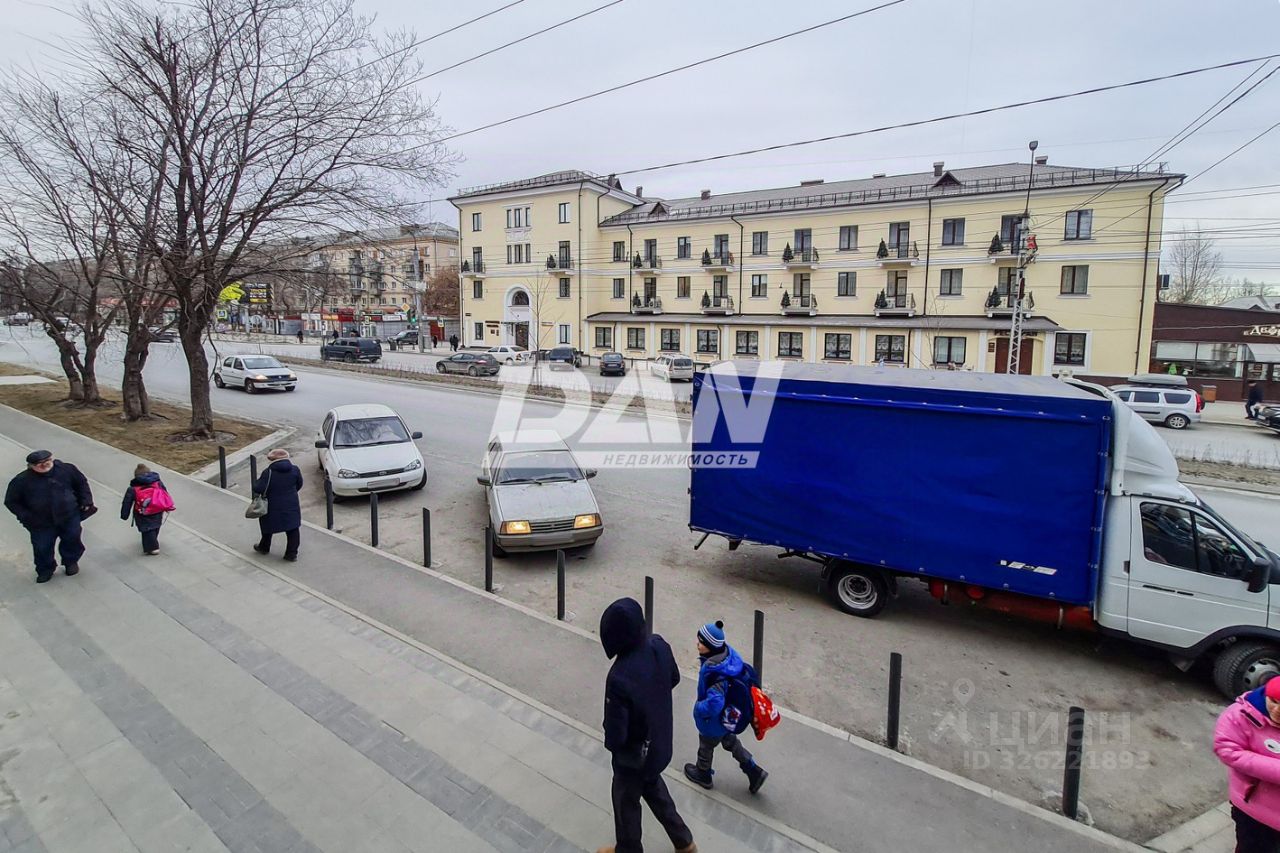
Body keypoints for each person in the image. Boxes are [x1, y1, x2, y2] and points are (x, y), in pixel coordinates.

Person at [597, 598, 696, 853]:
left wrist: (613, 746)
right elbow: (673, 677)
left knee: (625, 804)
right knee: (654, 788)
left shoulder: (618, 677)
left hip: (632, 758)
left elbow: (616, 733)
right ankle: (684, 842)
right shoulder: (658, 646)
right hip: (659, 744)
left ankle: (628, 850)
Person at [682, 621, 768, 794]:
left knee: (706, 745)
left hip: (714, 720)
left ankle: (703, 773)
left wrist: (699, 708)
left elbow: (715, 703)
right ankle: (753, 769)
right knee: (731, 742)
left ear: (711, 647)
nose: (697, 644)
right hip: (728, 716)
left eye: (701, 642)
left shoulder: (716, 673)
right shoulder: (726, 658)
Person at [5, 450, 94, 583]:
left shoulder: (66, 469)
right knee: (42, 547)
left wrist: (86, 501)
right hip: (41, 523)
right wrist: (27, 517)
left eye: (47, 461)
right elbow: (11, 502)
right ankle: (45, 570)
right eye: (39, 464)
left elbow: (81, 483)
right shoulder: (21, 481)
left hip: (69, 516)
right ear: (31, 466)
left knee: (72, 539)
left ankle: (71, 562)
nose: (45, 465)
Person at [1214, 676, 1280, 851]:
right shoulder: (1241, 714)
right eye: (1273, 701)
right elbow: (1227, 750)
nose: (1277, 710)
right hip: (1254, 810)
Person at [251, 448, 303, 561]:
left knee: (267, 526)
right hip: (291, 504)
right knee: (293, 528)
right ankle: (291, 554)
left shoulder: (268, 472)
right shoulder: (295, 470)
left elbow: (258, 488)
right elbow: (299, 484)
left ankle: (264, 547)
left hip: (272, 505)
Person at [120, 463, 170, 555]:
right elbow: (165, 494)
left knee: (146, 529)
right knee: (155, 526)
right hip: (157, 510)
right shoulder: (157, 483)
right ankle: (152, 543)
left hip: (142, 513)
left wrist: (124, 515)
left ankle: (153, 548)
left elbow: (127, 502)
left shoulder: (133, 488)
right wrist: (167, 506)